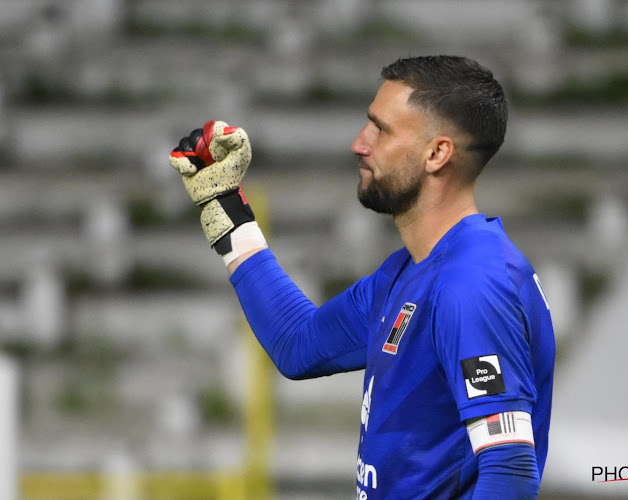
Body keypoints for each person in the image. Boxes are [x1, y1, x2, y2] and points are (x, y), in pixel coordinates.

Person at [169, 55, 555, 499]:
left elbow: (509, 467)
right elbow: (299, 344)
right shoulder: (410, 271)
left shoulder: (472, 284)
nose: (359, 143)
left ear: (437, 153)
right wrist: (226, 211)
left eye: (381, 129)